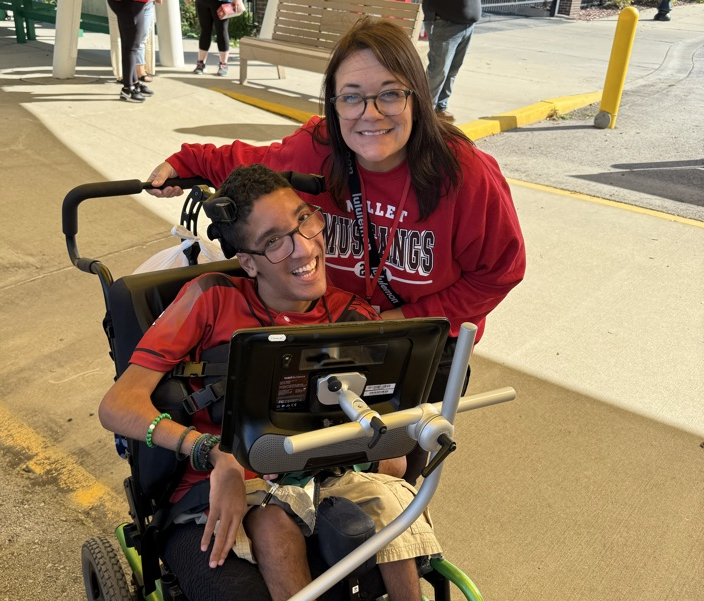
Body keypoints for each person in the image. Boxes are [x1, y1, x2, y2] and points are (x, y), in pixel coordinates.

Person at [99, 164, 442, 601]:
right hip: (239, 480)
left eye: (305, 223)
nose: (303, 248)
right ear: (250, 261)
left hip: (328, 470)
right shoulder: (211, 301)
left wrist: (396, 445)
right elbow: (118, 403)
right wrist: (211, 453)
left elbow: (393, 415)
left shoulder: (348, 310)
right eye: (273, 241)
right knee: (274, 519)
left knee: (391, 501)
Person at [147, 16, 526, 479]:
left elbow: (499, 273)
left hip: (422, 345)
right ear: (334, 102)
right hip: (332, 332)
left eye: (390, 93)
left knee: (397, 473)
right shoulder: (318, 149)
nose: (370, 114)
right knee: (312, 464)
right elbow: (247, 161)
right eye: (352, 97)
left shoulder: (465, 175)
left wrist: (395, 322)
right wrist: (184, 161)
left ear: (417, 97)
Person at [423, 0, 481, 122]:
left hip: (468, 24)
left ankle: (440, 107)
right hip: (444, 23)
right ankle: (426, 111)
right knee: (439, 71)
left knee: (452, 70)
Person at [107, 0, 154, 102]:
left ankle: (134, 83)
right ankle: (127, 88)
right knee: (131, 45)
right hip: (129, 3)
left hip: (135, 3)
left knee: (131, 44)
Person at [188, 0, 244, 76]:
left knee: (222, 31)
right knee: (205, 30)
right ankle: (201, 64)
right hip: (202, 2)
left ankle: (223, 64)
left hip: (221, 2)